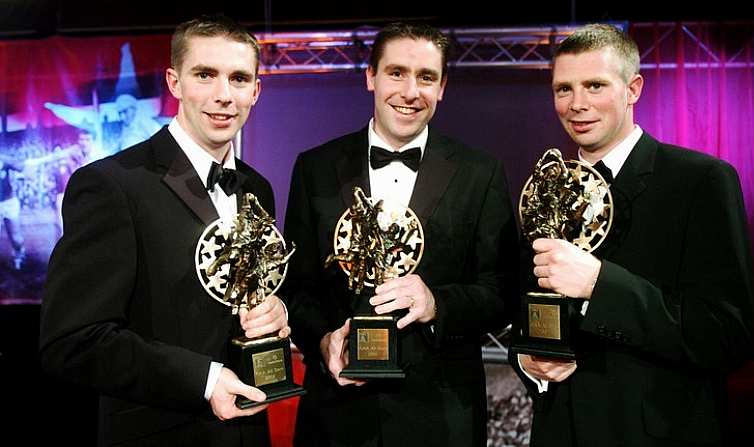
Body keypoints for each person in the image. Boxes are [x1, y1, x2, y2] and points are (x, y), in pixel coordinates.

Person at [40, 15, 289, 446]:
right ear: (174, 82)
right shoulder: (112, 184)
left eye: (238, 79)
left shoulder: (257, 188)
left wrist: (276, 313)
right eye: (205, 75)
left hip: (249, 431)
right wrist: (205, 380)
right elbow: (73, 341)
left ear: (256, 91)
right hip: (162, 432)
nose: (223, 96)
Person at [509, 24, 753, 446]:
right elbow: (524, 310)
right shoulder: (544, 189)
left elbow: (724, 336)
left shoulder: (702, 181)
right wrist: (529, 362)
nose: (577, 104)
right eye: (563, 89)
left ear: (633, 89)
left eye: (595, 85)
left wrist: (599, 285)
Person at [283, 22, 517, 447]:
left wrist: (436, 303)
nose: (411, 92)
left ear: (442, 86)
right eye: (396, 73)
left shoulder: (480, 173)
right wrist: (322, 341)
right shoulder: (314, 167)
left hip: (441, 418)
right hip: (338, 416)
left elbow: (501, 292)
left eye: (426, 77)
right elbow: (295, 290)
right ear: (370, 76)